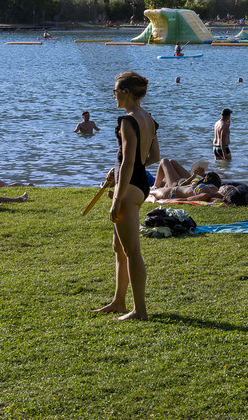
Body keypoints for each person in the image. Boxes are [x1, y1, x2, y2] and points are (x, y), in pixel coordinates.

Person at [96, 70, 158, 321]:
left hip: (129, 186)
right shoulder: (149, 119)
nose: (113, 96)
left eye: (115, 91)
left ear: (127, 93)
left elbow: (129, 162)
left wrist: (118, 197)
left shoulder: (128, 121)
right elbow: (152, 157)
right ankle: (118, 302)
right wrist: (119, 167)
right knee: (119, 248)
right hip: (140, 185)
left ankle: (139, 310)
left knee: (132, 251)